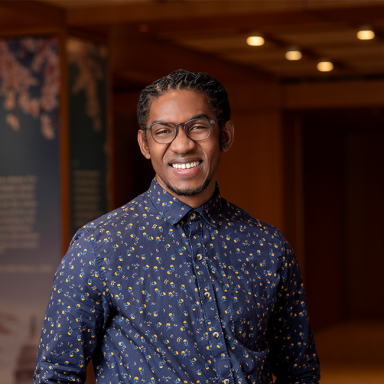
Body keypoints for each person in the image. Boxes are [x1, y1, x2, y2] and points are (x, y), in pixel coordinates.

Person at [34, 69, 320, 384]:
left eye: (198, 127)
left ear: (224, 135)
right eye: (163, 131)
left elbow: (300, 372)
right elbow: (56, 375)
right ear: (145, 143)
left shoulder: (267, 247)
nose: (182, 145)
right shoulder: (99, 247)